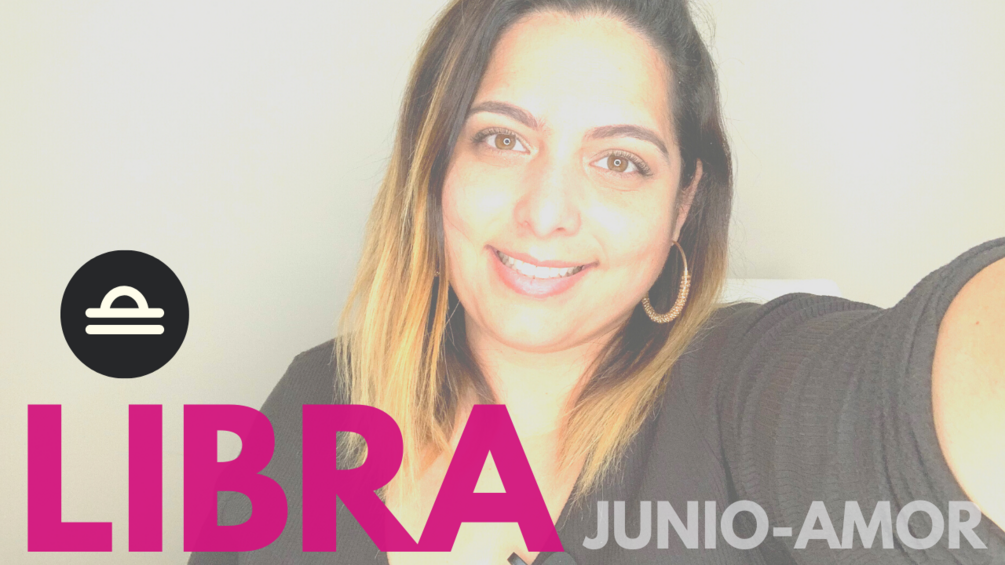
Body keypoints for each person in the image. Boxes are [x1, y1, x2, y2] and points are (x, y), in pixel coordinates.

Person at [189, 0, 1005, 563]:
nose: (546, 212)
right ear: (433, 166)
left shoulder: (743, 392)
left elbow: (906, 413)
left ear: (682, 204)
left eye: (618, 160)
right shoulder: (313, 401)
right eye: (502, 139)